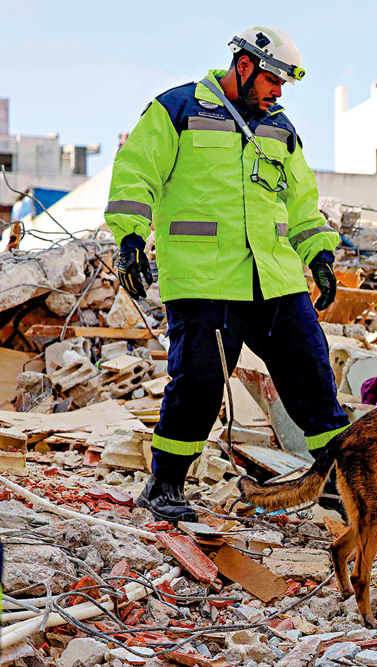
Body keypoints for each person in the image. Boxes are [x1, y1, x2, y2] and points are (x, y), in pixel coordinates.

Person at [105, 26, 350, 522]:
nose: (279, 93)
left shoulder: (279, 128)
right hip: (205, 280)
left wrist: (320, 255)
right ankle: (165, 486)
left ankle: (337, 483)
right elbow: (136, 174)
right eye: (272, 80)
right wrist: (131, 239)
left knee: (314, 379)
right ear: (244, 67)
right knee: (197, 383)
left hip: (275, 281)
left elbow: (301, 203)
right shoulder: (177, 109)